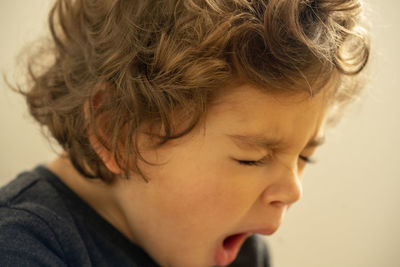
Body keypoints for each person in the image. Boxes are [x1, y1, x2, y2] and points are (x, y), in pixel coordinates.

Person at [0, 0, 369, 266]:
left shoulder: (243, 252)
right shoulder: (21, 247)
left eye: (304, 155)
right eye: (252, 158)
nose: (293, 190)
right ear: (116, 129)